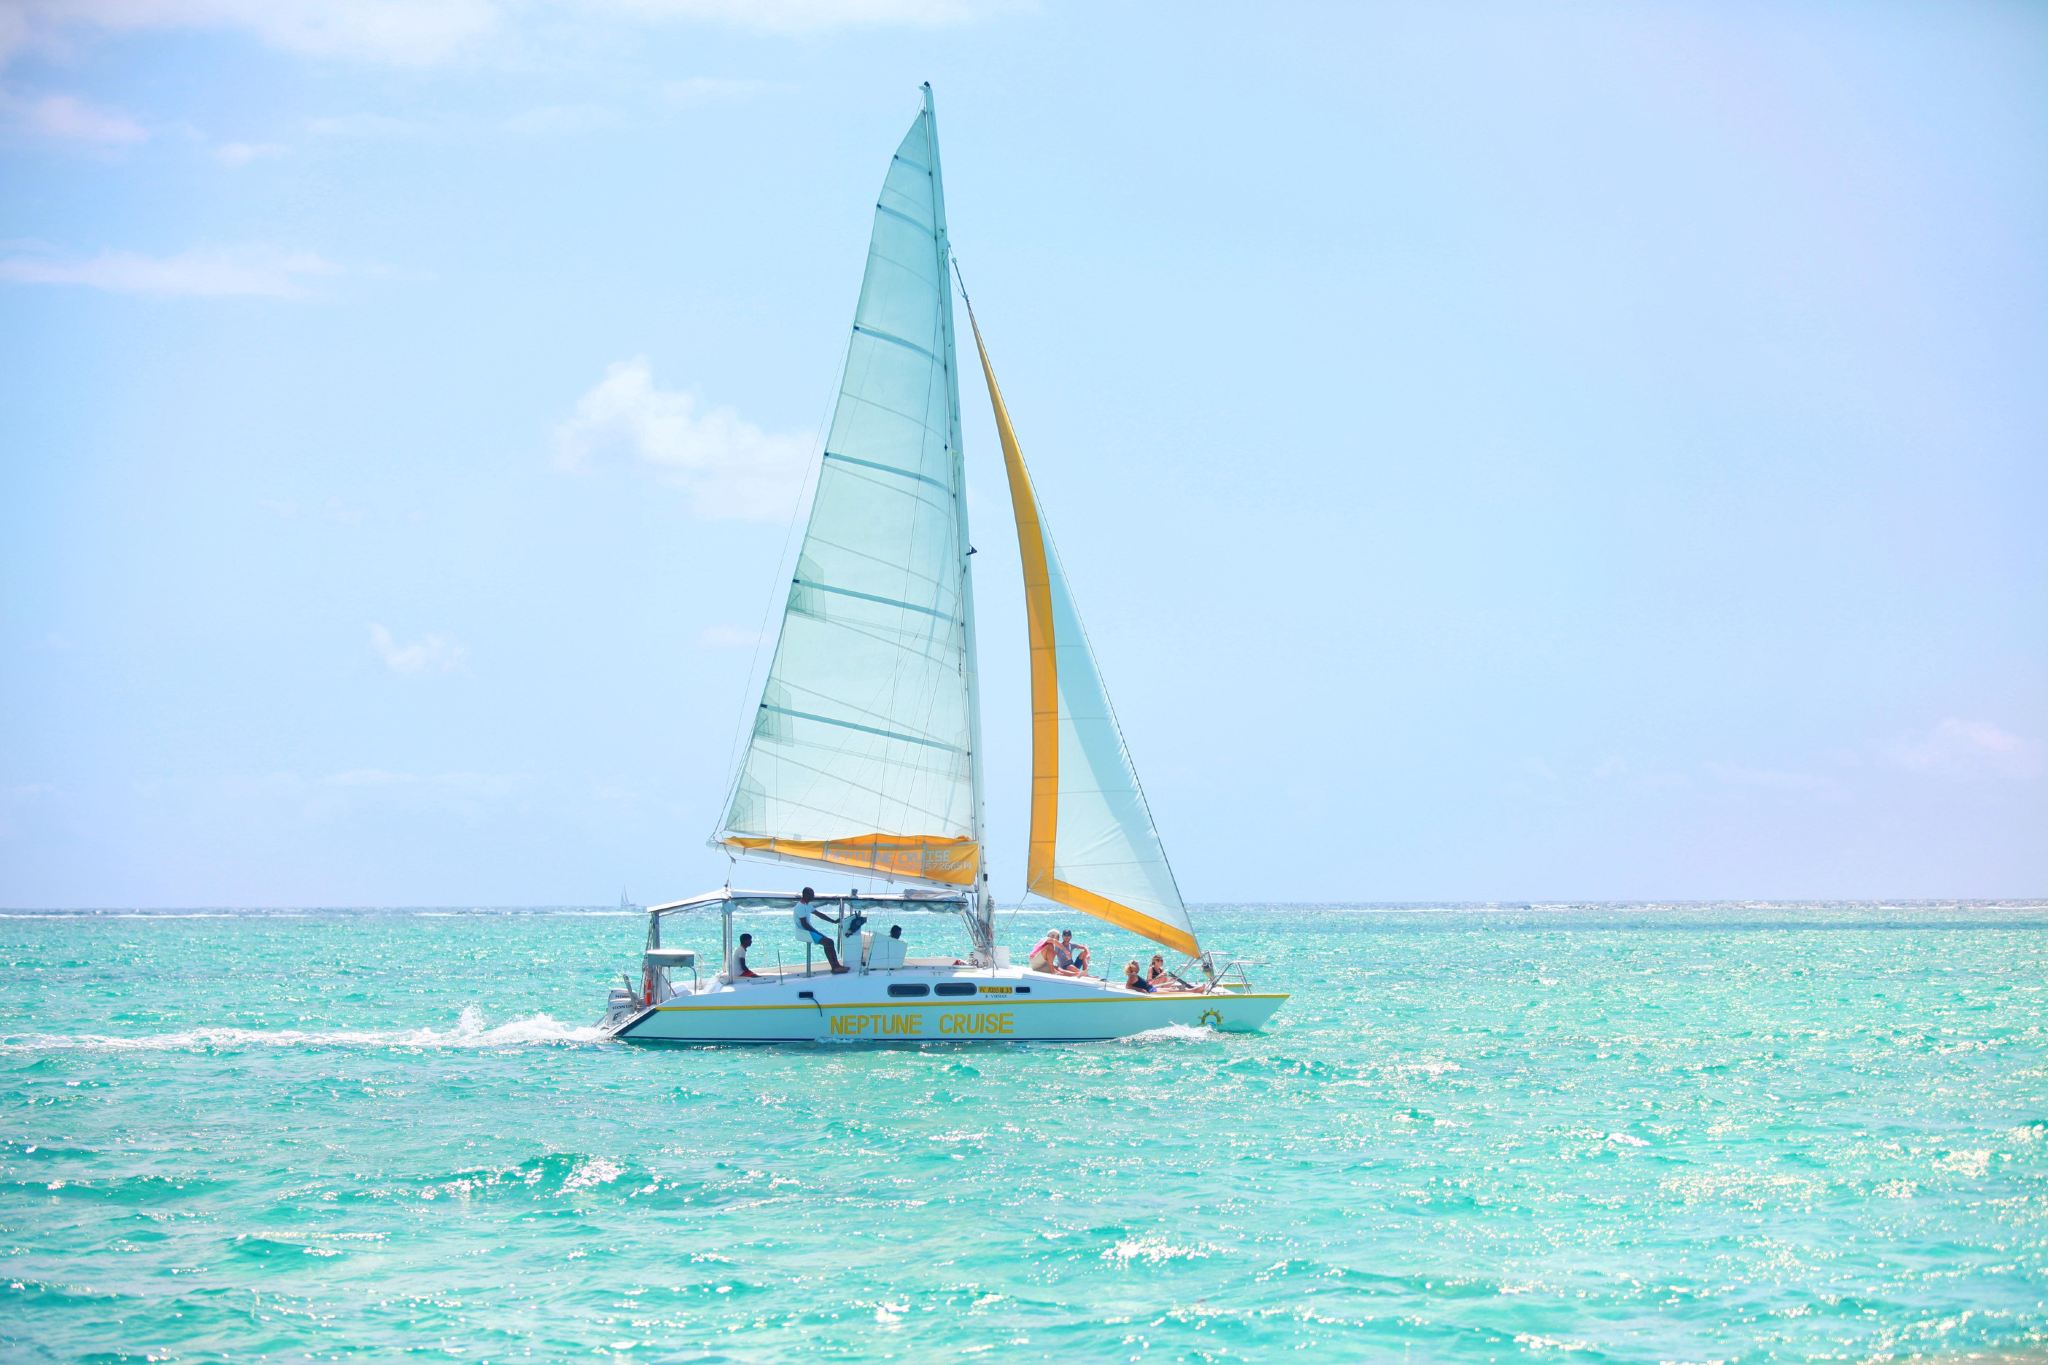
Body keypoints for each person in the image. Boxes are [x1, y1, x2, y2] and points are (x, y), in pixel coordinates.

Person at [794, 886, 845, 973]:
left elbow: (819, 914)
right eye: (811, 895)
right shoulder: (800, 907)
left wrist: (833, 921)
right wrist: (817, 932)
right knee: (828, 942)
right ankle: (834, 967)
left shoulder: (807, 905)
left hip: (808, 931)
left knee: (829, 942)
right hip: (803, 932)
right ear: (806, 895)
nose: (813, 897)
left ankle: (836, 966)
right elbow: (805, 925)